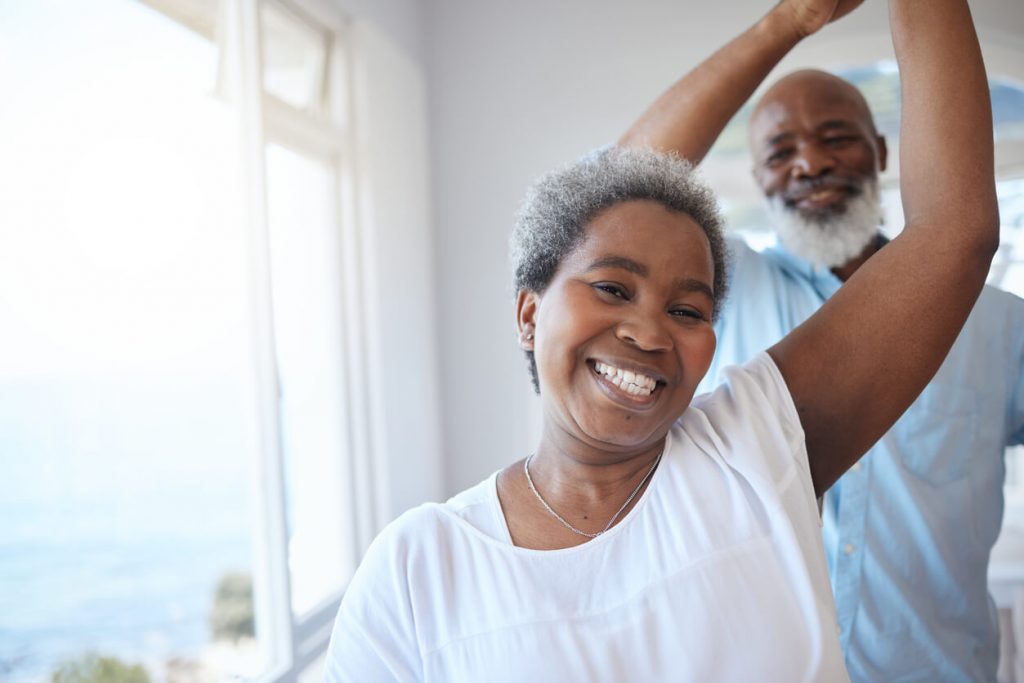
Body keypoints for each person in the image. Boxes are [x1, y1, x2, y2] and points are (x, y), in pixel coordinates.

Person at [324, 0, 997, 680]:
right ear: (528, 313)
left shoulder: (753, 447)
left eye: (687, 309)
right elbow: (611, 190)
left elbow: (952, 236)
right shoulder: (416, 570)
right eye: (613, 288)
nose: (649, 331)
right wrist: (785, 21)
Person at [619, 0, 1024, 681]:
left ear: (882, 151)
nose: (809, 162)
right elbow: (616, 195)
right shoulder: (722, 288)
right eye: (780, 151)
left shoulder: (997, 324)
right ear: (758, 180)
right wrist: (788, 23)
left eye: (836, 136)